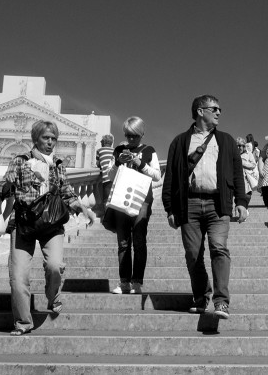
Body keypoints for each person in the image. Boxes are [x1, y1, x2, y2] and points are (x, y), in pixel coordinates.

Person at [0, 120, 95, 336]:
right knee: (19, 275)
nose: (50, 142)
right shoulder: (20, 161)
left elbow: (66, 191)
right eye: (45, 138)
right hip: (24, 222)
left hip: (51, 222)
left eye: (53, 139)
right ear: (36, 139)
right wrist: (6, 187)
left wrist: (81, 207)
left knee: (54, 266)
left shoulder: (58, 164)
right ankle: (23, 322)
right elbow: (3, 186)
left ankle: (53, 296)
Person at [162, 95, 248, 320]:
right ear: (200, 111)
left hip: (218, 204)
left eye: (220, 109)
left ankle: (221, 301)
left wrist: (241, 202)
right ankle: (201, 295)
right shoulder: (180, 141)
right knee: (193, 254)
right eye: (214, 109)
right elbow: (170, 175)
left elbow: (237, 173)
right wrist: (170, 208)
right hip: (188, 204)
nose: (219, 112)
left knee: (219, 248)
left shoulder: (227, 140)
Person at [110, 116, 161, 295]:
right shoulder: (118, 150)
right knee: (123, 242)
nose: (131, 139)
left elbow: (157, 176)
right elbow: (109, 175)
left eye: (134, 136)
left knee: (139, 241)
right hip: (121, 198)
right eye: (128, 135)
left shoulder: (149, 150)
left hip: (142, 199)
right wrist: (118, 163)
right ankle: (124, 282)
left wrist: (141, 164)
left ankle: (137, 281)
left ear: (141, 134)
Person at [95, 133, 115, 214]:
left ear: (103, 142)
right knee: (114, 199)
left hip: (106, 178)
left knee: (106, 199)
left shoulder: (100, 150)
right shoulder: (114, 151)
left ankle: (106, 217)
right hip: (115, 177)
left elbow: (98, 163)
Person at [236, 136, 258, 208]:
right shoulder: (233, 154)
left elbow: (253, 165)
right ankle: (241, 210)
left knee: (247, 196)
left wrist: (242, 162)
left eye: (240, 146)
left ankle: (245, 209)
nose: (239, 148)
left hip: (247, 179)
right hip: (237, 179)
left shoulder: (249, 154)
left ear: (244, 146)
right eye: (237, 146)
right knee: (238, 197)